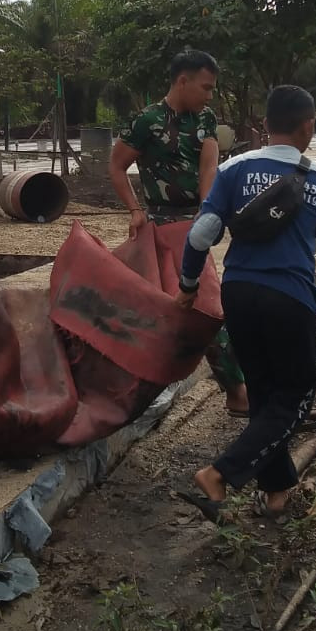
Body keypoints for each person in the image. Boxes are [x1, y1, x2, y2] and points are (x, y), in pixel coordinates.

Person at [175, 85, 316, 521]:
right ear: (309, 125)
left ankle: (277, 492)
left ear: (264, 125)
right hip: (290, 297)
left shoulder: (232, 170)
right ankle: (218, 474)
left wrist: (188, 284)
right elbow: (312, 242)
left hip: (240, 294)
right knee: (297, 397)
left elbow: (200, 234)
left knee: (266, 395)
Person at [109, 49, 250, 417]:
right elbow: (116, 165)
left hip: (195, 224)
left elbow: (209, 165)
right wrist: (135, 210)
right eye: (205, 87)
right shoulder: (147, 121)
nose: (210, 95)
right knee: (179, 310)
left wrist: (209, 211)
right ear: (182, 81)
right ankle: (235, 390)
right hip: (159, 225)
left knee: (205, 307)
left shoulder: (205, 117)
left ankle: (236, 389)